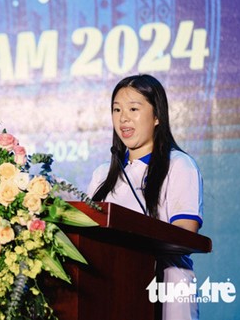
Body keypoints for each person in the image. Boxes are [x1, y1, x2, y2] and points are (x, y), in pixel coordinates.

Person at [86, 74, 203, 320]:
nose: (123, 118)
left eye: (133, 108)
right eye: (116, 109)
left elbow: (186, 231)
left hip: (165, 290)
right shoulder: (101, 176)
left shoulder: (179, 165)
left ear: (157, 115)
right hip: (110, 293)